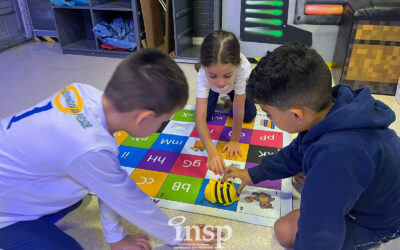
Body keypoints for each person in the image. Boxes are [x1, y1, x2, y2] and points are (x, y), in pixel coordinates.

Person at [0, 49, 219, 249]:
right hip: (5, 213)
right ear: (144, 118)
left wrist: (116, 237)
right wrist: (181, 235)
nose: (162, 127)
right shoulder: (88, 147)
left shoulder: (82, 92)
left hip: (11, 180)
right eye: (164, 121)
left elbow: (109, 182)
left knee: (79, 191)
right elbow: (129, 199)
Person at [223, 42, 400, 249]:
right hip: (366, 185)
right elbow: (296, 154)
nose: (269, 119)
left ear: (296, 115)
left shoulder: (336, 156)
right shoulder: (330, 109)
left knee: (286, 230)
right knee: (308, 191)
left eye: (269, 114)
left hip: (379, 221)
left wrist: (322, 193)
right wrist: (252, 174)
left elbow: (320, 235)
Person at [195, 30, 257, 175]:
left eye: (227, 75)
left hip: (234, 87)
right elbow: (200, 118)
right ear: (205, 67)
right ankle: (220, 96)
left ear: (236, 65)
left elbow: (239, 109)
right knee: (207, 115)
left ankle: (229, 98)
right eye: (213, 75)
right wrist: (211, 151)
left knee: (249, 114)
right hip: (210, 88)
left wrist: (234, 140)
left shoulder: (243, 68)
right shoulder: (203, 74)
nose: (220, 82)